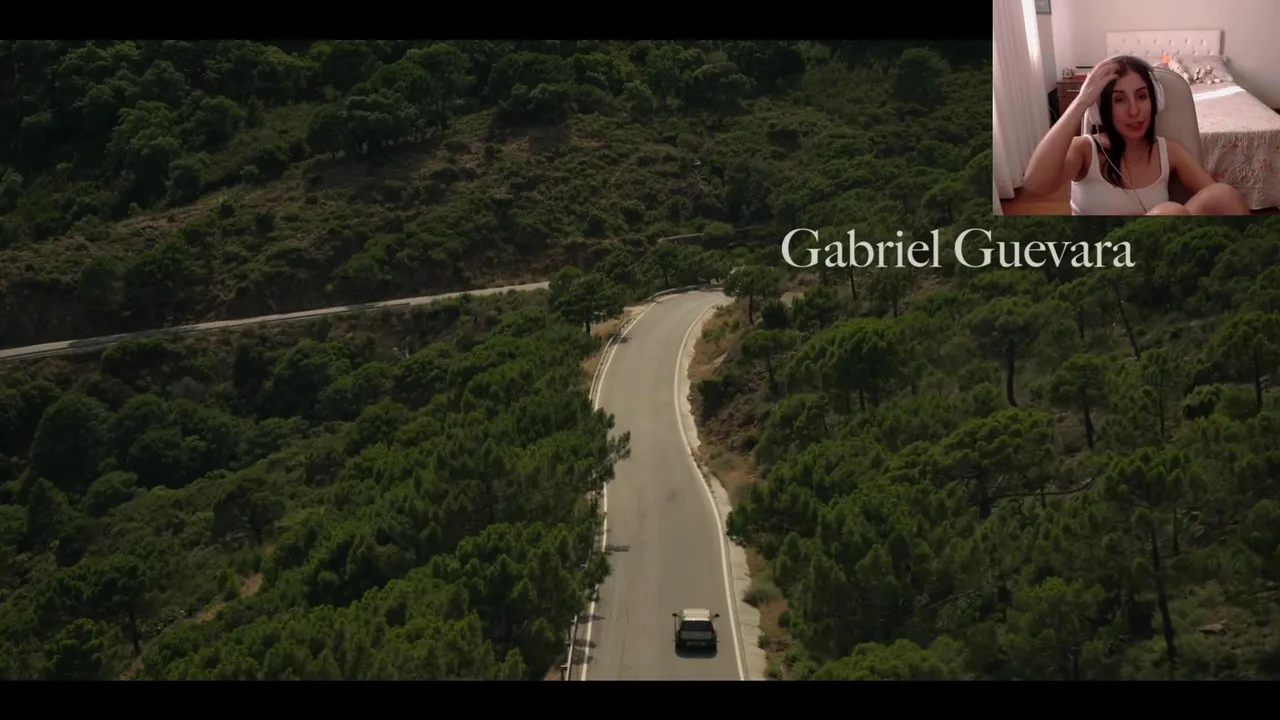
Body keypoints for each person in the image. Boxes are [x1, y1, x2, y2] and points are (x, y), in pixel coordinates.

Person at [1021, 55, 1250, 216]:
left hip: (1152, 257)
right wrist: (1081, 102)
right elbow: (1034, 185)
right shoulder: (1085, 150)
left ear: (1155, 101)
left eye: (1141, 96)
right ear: (1102, 109)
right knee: (1170, 213)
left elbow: (1216, 200)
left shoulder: (1168, 151)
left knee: (1224, 195)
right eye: (1119, 100)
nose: (1134, 111)